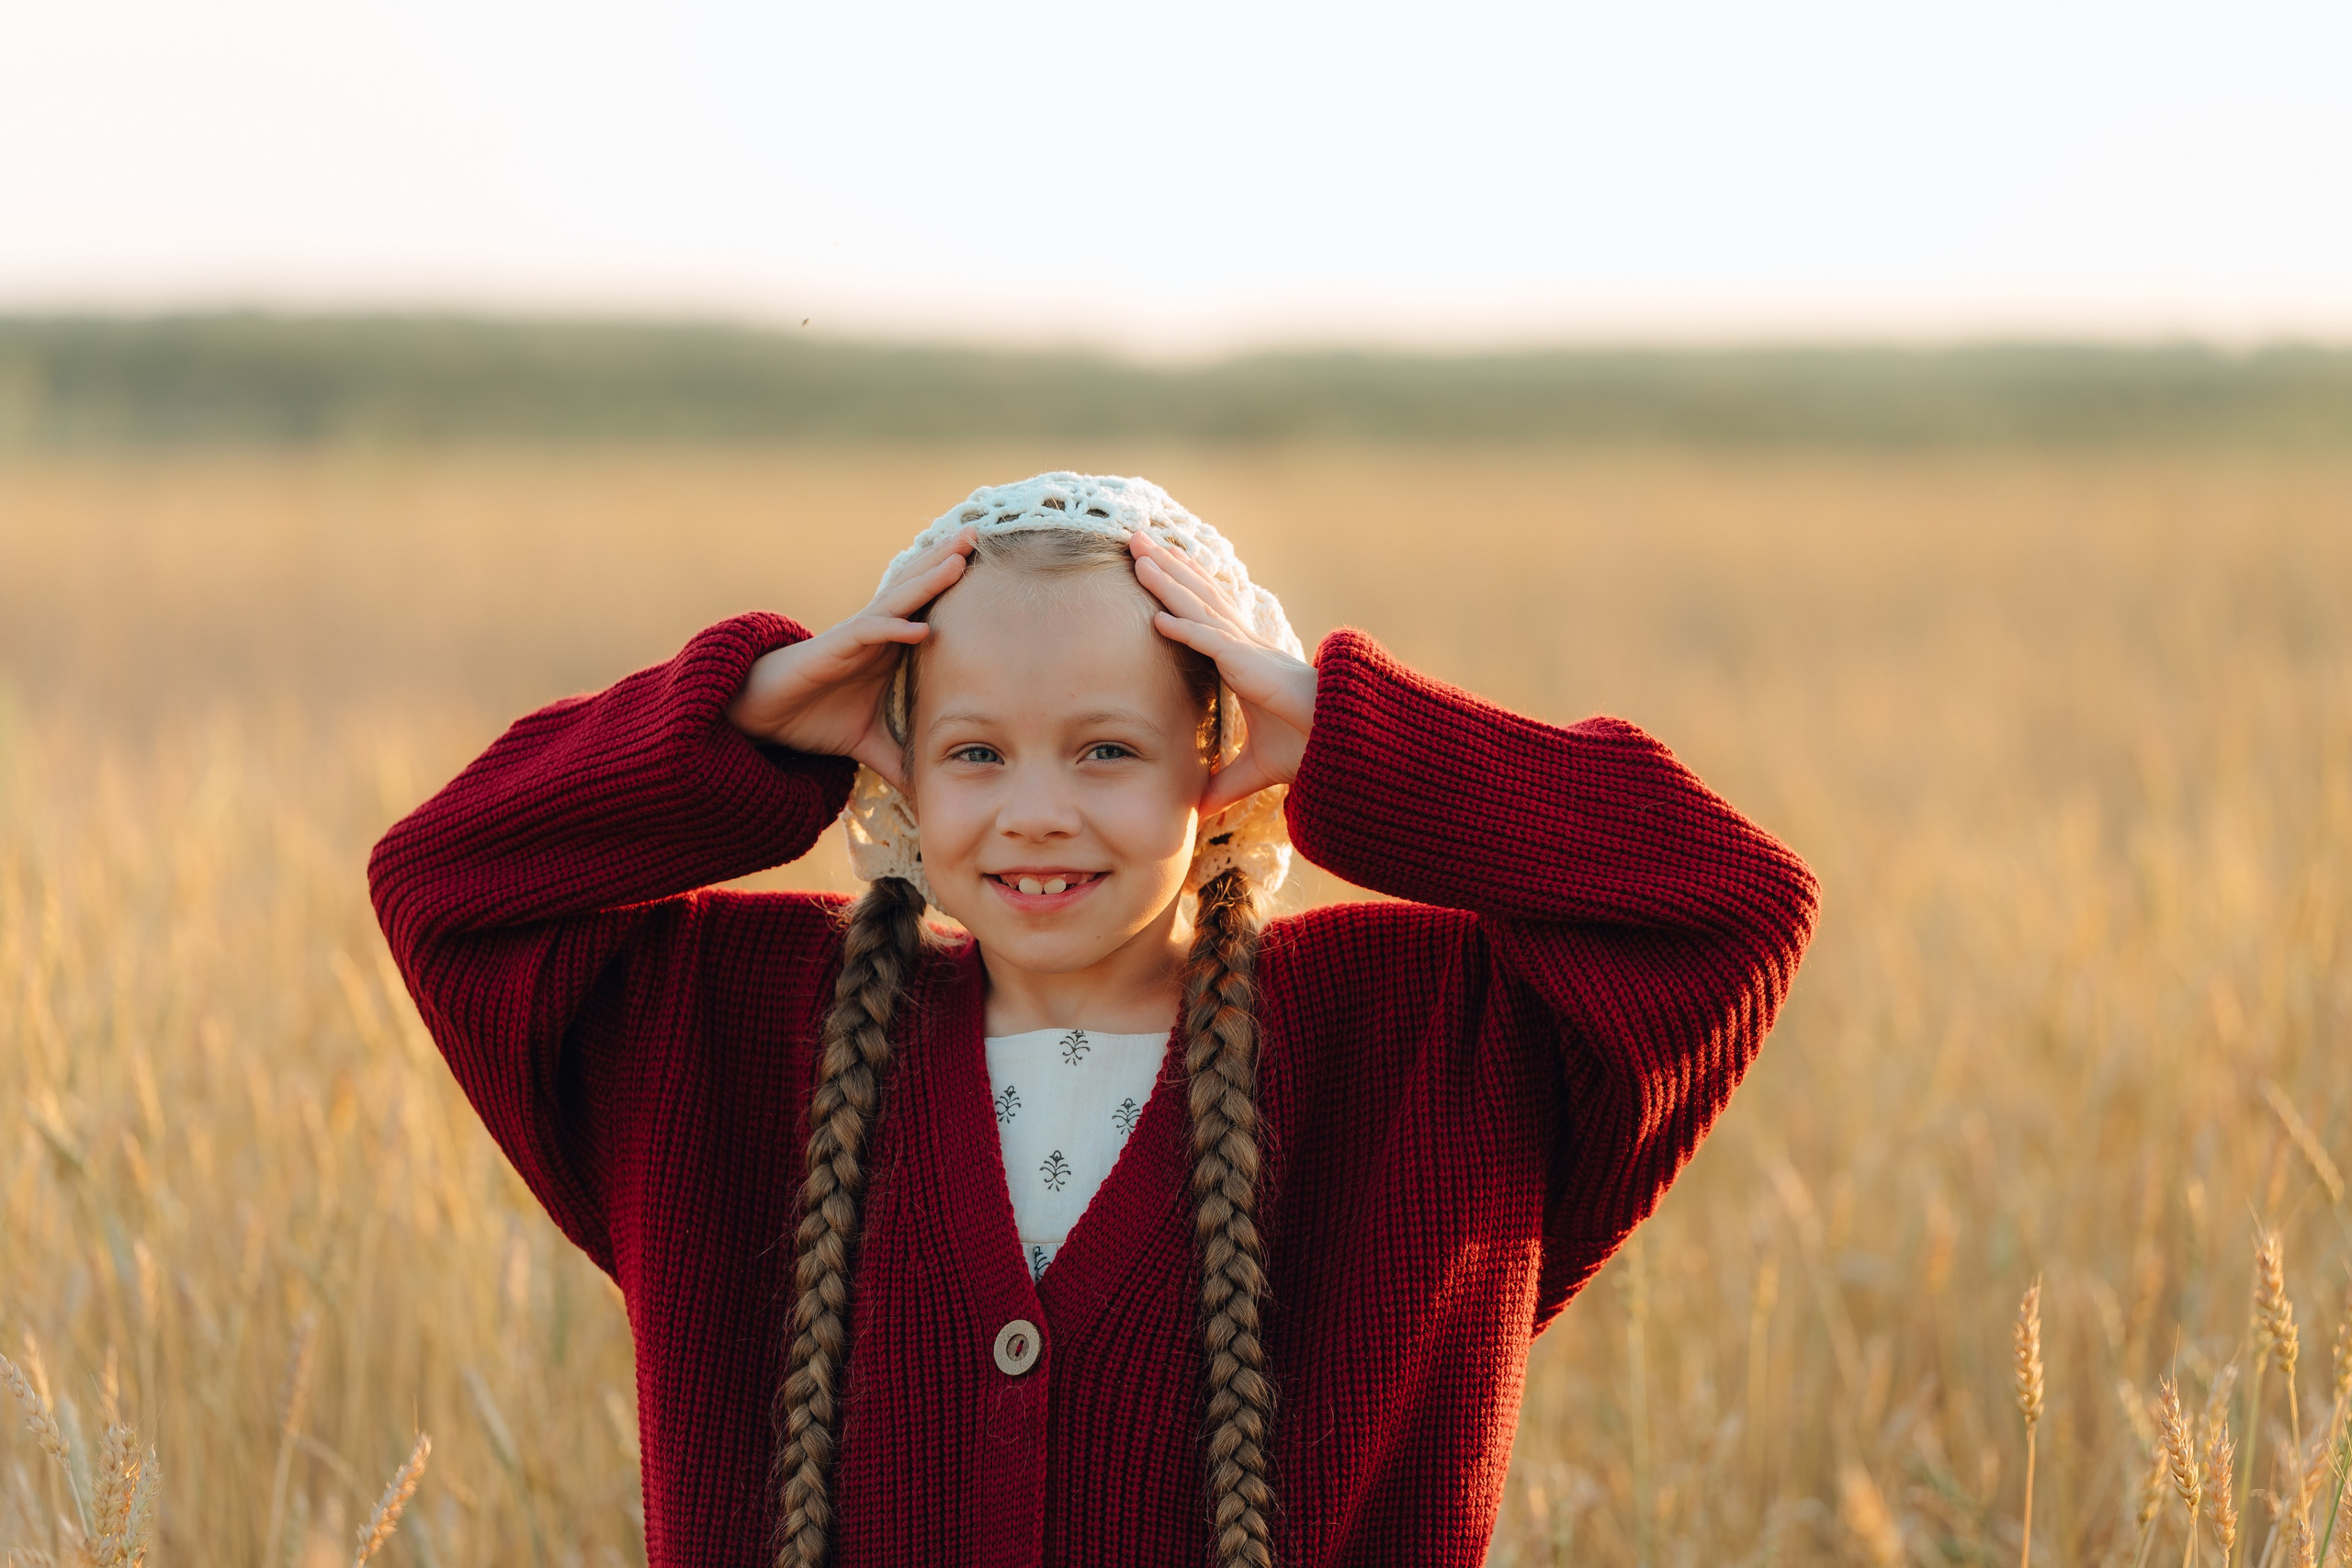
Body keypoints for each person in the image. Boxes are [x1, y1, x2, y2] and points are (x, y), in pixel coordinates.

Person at [368, 471, 1817, 1568]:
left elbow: (1727, 904)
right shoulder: (727, 1038)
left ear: (1220, 752)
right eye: (976, 750)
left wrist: (1347, 737)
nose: (1037, 811)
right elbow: (445, 883)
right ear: (897, 766)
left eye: (1109, 749)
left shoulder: (1431, 1046)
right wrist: (738, 725)